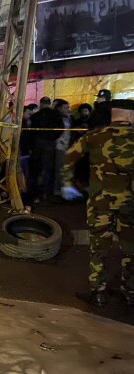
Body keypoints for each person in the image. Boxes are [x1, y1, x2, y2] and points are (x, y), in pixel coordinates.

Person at [61, 99, 134, 307]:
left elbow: (69, 158)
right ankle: (129, 291)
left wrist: (68, 184)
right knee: (130, 248)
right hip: (130, 202)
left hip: (100, 202)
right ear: (129, 115)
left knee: (98, 248)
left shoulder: (95, 136)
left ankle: (98, 292)